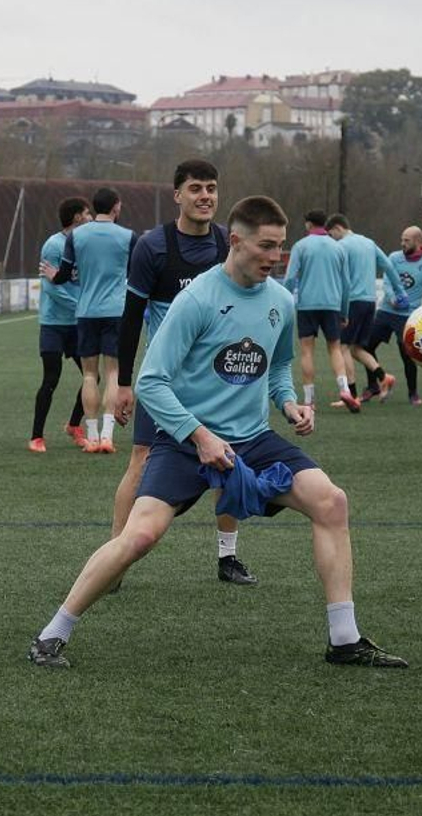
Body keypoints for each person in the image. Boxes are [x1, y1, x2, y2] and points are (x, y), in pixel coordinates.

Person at [27, 195, 407, 670]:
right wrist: (200, 436)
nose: (275, 257)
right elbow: (150, 381)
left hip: (252, 441)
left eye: (281, 247)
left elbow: (278, 367)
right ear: (236, 241)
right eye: (266, 246)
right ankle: (51, 634)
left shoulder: (281, 300)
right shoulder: (197, 300)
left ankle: (345, 640)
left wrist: (289, 404)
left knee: (332, 501)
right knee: (140, 536)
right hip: (186, 441)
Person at [111, 158, 255, 585]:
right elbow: (131, 317)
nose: (205, 196)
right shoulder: (152, 247)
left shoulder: (229, 244)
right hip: (165, 383)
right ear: (177, 195)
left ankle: (227, 558)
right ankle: (115, 556)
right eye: (195, 188)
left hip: (220, 381)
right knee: (140, 462)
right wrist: (122, 384)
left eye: (211, 188)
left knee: (229, 460)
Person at [49, 187, 132, 453]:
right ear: (116, 207)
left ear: (95, 207)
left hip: (86, 312)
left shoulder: (76, 236)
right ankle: (107, 437)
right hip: (116, 312)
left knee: (88, 375)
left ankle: (92, 438)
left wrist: (53, 275)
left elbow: (63, 275)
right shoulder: (128, 237)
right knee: (113, 373)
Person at [29, 197, 92, 453]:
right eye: (87, 214)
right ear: (77, 217)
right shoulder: (53, 245)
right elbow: (51, 287)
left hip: (79, 326)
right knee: (51, 379)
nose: (90, 218)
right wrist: (81, 308)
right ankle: (36, 437)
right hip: (54, 324)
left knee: (92, 377)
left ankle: (74, 425)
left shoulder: (86, 244)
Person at [327, 214, 409, 403]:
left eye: (331, 234)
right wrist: (400, 291)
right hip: (370, 302)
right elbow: (388, 266)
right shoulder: (369, 243)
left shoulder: (341, 246)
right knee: (356, 348)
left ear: (338, 228)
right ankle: (383, 376)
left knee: (342, 347)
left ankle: (352, 394)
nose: (332, 239)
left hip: (352, 301)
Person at [282, 209, 358, 412]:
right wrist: (345, 312)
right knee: (335, 348)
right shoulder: (338, 248)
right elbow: (347, 284)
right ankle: (344, 390)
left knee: (307, 351)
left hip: (307, 304)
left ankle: (309, 400)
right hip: (332, 305)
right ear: (325, 225)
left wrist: (284, 303)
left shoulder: (301, 246)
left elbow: (290, 278)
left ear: (308, 225)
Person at [362, 226, 422, 404]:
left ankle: (413, 393)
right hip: (386, 311)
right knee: (365, 347)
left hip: (409, 316)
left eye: (407, 240)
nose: (403, 243)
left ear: (418, 242)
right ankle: (373, 385)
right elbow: (388, 281)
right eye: (402, 240)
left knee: (407, 355)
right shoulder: (394, 258)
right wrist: (392, 298)